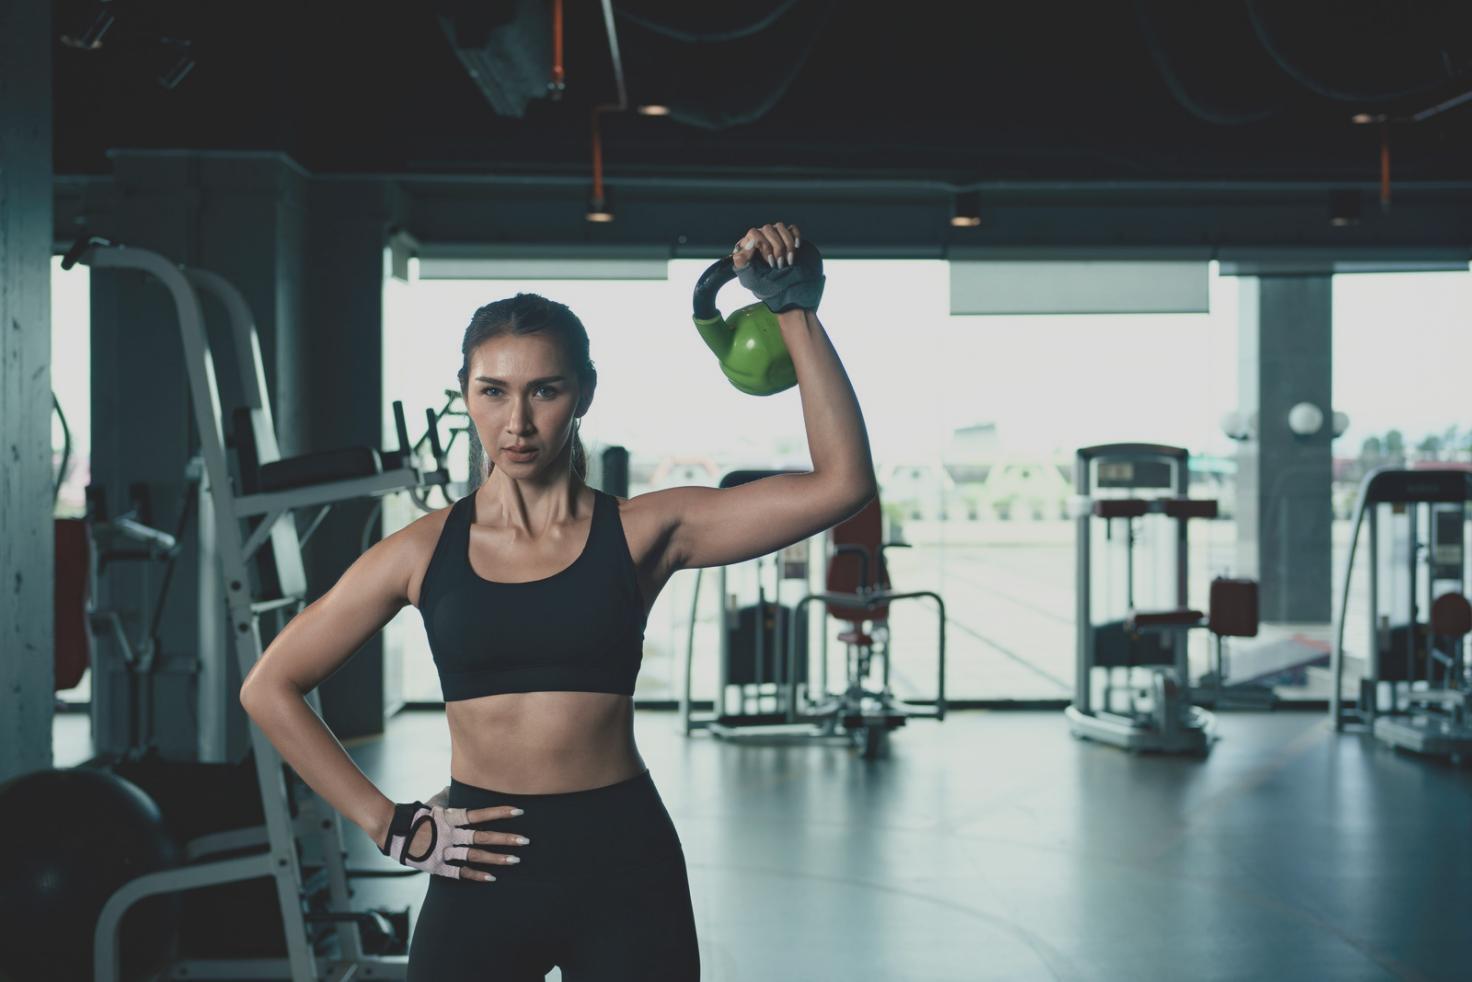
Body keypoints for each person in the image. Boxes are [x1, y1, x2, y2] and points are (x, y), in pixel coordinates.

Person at [239, 222, 878, 980]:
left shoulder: (646, 530)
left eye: (545, 389)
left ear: (584, 393)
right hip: (479, 866)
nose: (517, 422)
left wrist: (795, 310)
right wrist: (388, 823)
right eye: (493, 392)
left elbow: (843, 484)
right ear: (466, 396)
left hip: (624, 865)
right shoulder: (421, 551)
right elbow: (269, 687)